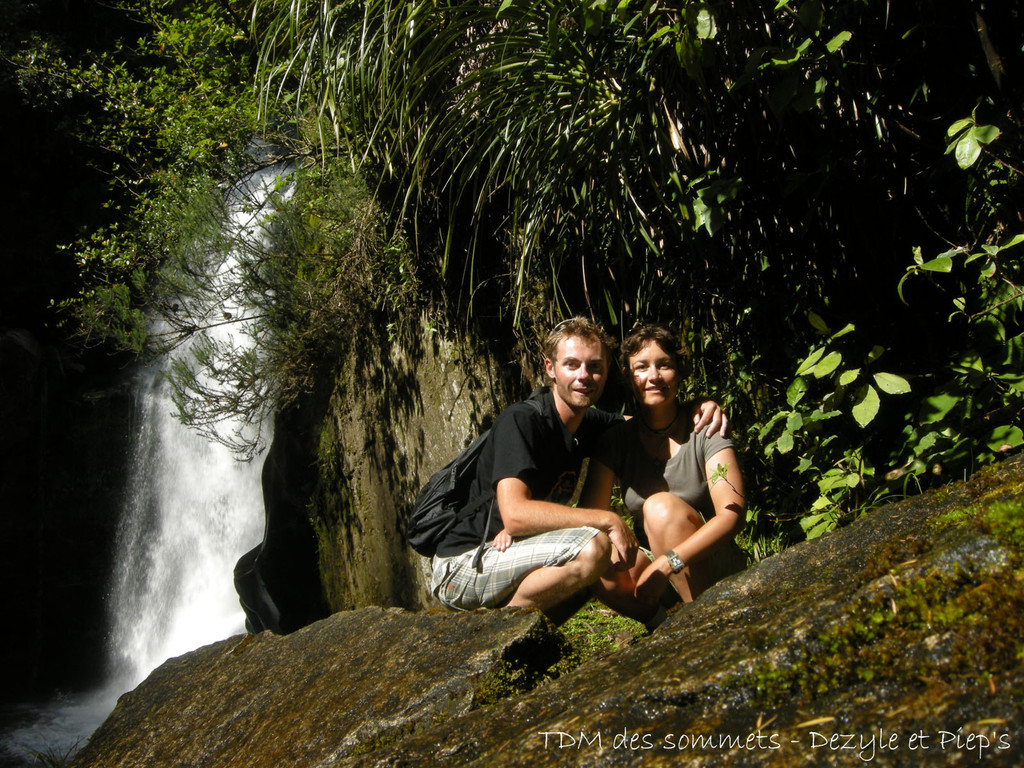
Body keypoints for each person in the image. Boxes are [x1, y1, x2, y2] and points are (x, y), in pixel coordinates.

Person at [429, 317, 727, 623]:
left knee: (597, 570)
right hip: (465, 563)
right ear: (550, 369)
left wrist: (700, 407)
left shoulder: (588, 423)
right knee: (593, 547)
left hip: (513, 554)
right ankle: (495, 634)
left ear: (607, 372)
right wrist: (607, 520)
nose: (584, 376)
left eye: (595, 367)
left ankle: (664, 625)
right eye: (571, 365)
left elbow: (647, 423)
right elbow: (516, 516)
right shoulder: (521, 422)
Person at [579, 323, 746, 627]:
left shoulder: (706, 428)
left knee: (659, 509)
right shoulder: (616, 440)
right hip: (655, 574)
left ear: (679, 372)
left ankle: (706, 623)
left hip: (710, 563)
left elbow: (731, 514)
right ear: (629, 377)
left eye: (664, 365)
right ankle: (665, 625)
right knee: (594, 553)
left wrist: (669, 562)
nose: (653, 376)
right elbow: (589, 518)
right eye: (641, 367)